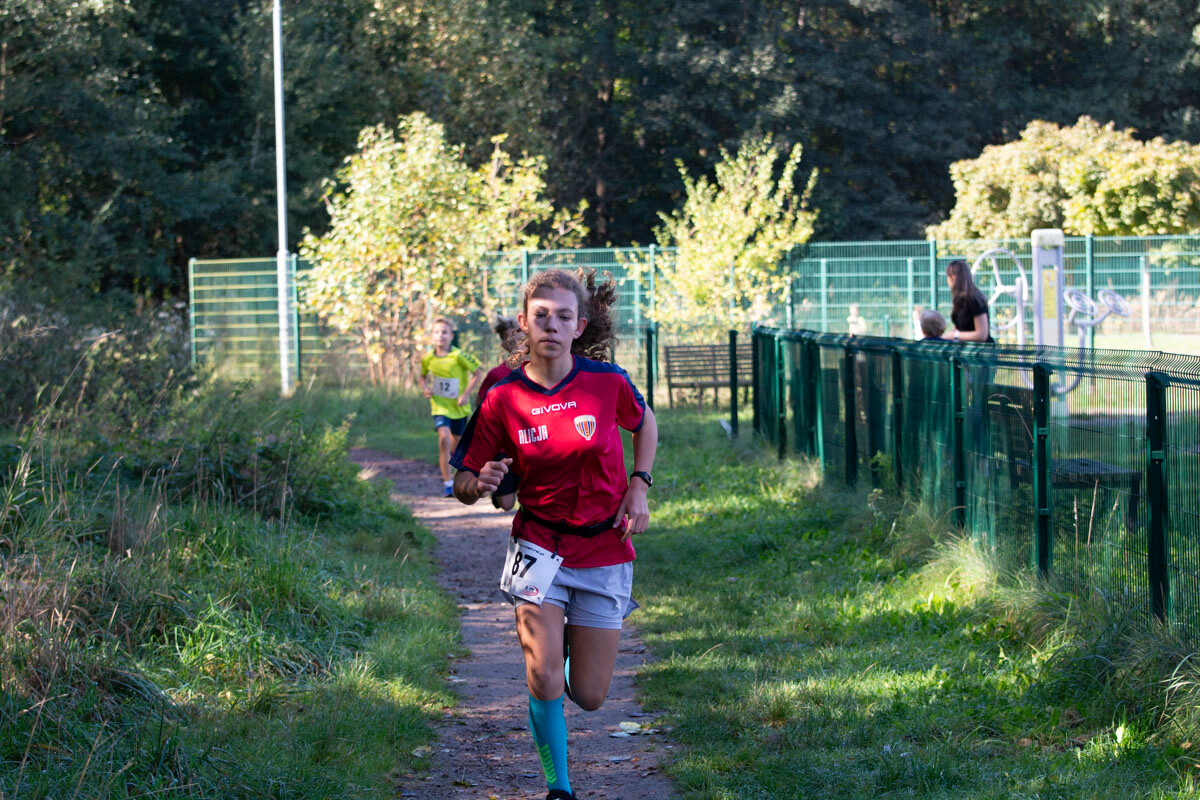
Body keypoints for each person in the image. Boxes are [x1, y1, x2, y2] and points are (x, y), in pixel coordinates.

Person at [449, 268, 658, 800]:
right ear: (524, 324)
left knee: (588, 695)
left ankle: (566, 639)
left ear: (579, 325)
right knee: (542, 679)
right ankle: (557, 787)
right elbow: (463, 482)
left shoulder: (606, 383)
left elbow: (645, 422)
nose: (551, 325)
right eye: (540, 316)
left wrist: (640, 485)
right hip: (538, 546)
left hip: (605, 549)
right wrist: (482, 481)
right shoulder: (503, 397)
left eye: (563, 316)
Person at [420, 317, 484, 497]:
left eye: (444, 332)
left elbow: (477, 372)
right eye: (437, 332)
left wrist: (465, 395)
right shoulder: (428, 359)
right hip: (439, 407)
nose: (440, 336)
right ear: (432, 336)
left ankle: (460, 481)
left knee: (458, 450)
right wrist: (425, 388)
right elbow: (422, 376)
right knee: (444, 439)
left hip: (458, 409)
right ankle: (448, 483)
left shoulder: (459, 356)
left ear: (451, 336)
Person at [477, 315, 522, 511]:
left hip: (532, 444)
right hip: (504, 449)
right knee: (506, 504)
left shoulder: (541, 370)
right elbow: (481, 408)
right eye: (510, 337)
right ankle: (499, 495)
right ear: (504, 344)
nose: (516, 340)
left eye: (520, 334)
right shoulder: (496, 375)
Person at [941, 259, 994, 342]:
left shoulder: (974, 299)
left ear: (952, 277)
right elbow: (959, 328)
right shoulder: (959, 299)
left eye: (947, 276)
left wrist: (955, 335)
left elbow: (982, 334)